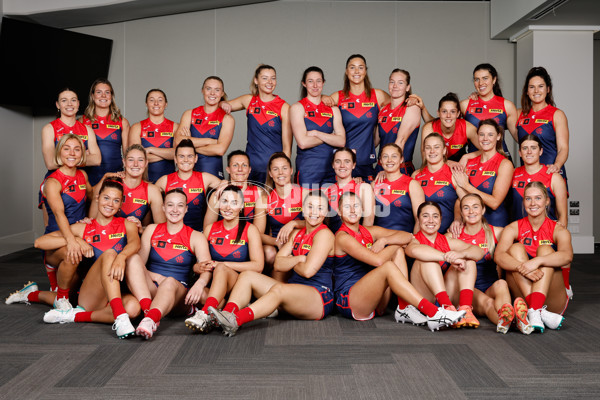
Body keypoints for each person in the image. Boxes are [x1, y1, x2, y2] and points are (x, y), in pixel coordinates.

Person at [207, 191, 335, 336]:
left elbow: (307, 271)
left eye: (320, 208)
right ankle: (227, 313)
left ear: (326, 212)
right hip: (293, 292)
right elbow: (278, 265)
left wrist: (290, 261)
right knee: (247, 275)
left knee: (279, 289)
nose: (314, 212)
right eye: (310, 207)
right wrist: (298, 259)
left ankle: (235, 320)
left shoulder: (324, 234)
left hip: (318, 296)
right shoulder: (297, 234)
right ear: (303, 210)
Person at [334, 192, 465, 331]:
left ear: (362, 209)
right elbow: (377, 261)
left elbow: (407, 236)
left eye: (356, 206)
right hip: (350, 300)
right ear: (339, 211)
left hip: (375, 298)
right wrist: (395, 243)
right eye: (348, 207)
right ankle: (434, 313)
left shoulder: (369, 231)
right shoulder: (342, 237)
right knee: (388, 264)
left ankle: (403, 307)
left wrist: (385, 240)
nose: (353, 210)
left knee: (397, 252)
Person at [32, 178, 143, 338]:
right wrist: (76, 240)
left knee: (134, 308)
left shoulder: (127, 224)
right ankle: (120, 317)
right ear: (97, 198)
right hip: (90, 295)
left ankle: (73, 315)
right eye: (106, 198)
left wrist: (122, 257)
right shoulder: (83, 227)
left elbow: (135, 244)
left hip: (117, 290)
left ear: (121, 204)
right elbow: (39, 242)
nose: (110, 204)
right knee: (110, 253)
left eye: (116, 200)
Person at [122, 189, 211, 339]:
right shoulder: (151, 230)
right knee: (132, 259)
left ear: (186, 209)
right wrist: (157, 277)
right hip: (152, 289)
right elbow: (138, 267)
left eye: (180, 205)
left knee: (169, 282)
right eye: (170, 205)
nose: (175, 210)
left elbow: (206, 268)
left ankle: (150, 319)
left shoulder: (196, 236)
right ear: (163, 208)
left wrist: (199, 284)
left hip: (179, 295)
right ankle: (148, 313)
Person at [494, 182, 573, 333]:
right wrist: (523, 268)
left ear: (547, 201)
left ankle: (536, 308)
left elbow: (567, 256)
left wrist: (537, 261)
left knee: (545, 250)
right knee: (515, 248)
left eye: (538, 198)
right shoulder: (513, 227)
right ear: (523, 202)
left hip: (552, 298)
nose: (533, 203)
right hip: (523, 292)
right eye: (528, 199)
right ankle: (536, 311)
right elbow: (499, 255)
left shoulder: (558, 229)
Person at [184, 185, 264, 332]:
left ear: (241, 206)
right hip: (216, 287)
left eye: (234, 203)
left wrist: (223, 264)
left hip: (239, 285)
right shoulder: (210, 229)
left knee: (221, 268)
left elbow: (258, 266)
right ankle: (221, 312)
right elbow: (196, 265)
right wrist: (198, 267)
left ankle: (204, 314)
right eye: (224, 201)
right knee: (200, 294)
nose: (228, 207)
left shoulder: (250, 229)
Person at [450, 194, 532, 334]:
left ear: (482, 210)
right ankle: (515, 321)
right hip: (468, 290)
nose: (471, 212)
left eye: (475, 207)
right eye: (466, 208)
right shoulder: (453, 236)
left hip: (490, 285)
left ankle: (509, 317)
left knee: (502, 284)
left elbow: (527, 235)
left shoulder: (497, 232)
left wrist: (555, 226)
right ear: (461, 213)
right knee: (488, 304)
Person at [406, 201, 485, 328]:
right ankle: (446, 308)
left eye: (435, 216)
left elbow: (478, 251)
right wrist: (448, 258)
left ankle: (465, 310)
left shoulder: (446, 240)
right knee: (428, 261)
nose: (431, 220)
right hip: (425, 298)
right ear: (418, 219)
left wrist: (462, 255)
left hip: (447, 295)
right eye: (425, 216)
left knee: (468, 259)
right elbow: (414, 250)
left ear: (441, 219)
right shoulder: (413, 239)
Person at [40, 134, 93, 304]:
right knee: (74, 255)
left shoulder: (82, 175)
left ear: (82, 153)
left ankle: (33, 294)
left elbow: (93, 197)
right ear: (59, 152)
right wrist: (72, 240)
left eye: (77, 149)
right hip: (58, 239)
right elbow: (58, 214)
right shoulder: (52, 182)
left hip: (78, 234)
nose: (72, 153)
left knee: (78, 294)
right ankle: (61, 301)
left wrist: (109, 178)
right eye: (67, 148)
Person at [220, 65, 292, 183]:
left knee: (269, 201)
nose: (269, 82)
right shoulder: (249, 100)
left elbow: (287, 148)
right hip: (249, 168)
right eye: (264, 78)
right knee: (249, 200)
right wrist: (222, 103)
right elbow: (218, 104)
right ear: (256, 80)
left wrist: (283, 172)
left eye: (273, 78)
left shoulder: (284, 107)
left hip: (273, 170)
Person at [324, 55, 390, 180]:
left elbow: (399, 105)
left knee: (367, 198)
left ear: (365, 71)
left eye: (361, 67)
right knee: (345, 199)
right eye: (352, 67)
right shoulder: (338, 97)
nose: (356, 71)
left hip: (366, 162)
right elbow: (315, 108)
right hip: (343, 165)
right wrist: (322, 97)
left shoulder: (378, 95)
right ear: (346, 71)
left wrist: (412, 99)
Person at [452, 119, 513, 227]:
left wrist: (466, 185)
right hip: (470, 224)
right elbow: (460, 198)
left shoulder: (505, 164)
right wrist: (457, 218)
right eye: (481, 134)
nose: (485, 138)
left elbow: (495, 203)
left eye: (490, 134)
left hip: (494, 224)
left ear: (498, 136)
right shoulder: (469, 162)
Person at [91, 144, 165, 233]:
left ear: (146, 163)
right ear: (124, 162)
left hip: (135, 239)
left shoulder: (152, 191)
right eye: (131, 160)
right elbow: (92, 221)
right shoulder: (109, 182)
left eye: (140, 160)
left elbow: (161, 229)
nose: (136, 164)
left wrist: (141, 229)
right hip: (106, 237)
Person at [291, 66, 345, 187]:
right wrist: (331, 137)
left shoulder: (333, 109)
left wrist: (316, 132)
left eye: (318, 81)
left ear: (323, 82)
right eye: (310, 81)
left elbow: (341, 141)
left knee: (331, 205)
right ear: (304, 84)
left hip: (331, 169)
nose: (315, 85)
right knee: (308, 205)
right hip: (308, 169)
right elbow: (303, 143)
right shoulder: (297, 108)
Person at [156, 139, 224, 232]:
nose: (186, 160)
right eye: (181, 156)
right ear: (175, 159)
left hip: (198, 233)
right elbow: (148, 197)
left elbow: (228, 187)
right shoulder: (164, 180)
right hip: (172, 236)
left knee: (217, 195)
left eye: (190, 156)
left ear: (196, 158)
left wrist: (225, 183)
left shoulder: (204, 178)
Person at [516, 66, 569, 184]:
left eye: (541, 86)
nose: (536, 91)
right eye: (532, 87)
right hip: (527, 176)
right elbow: (494, 121)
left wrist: (557, 165)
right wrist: (476, 97)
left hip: (551, 174)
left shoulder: (557, 114)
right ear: (527, 91)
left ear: (548, 89)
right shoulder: (518, 114)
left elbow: (563, 148)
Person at [175, 76, 234, 178]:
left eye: (217, 90)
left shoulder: (227, 119)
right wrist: (210, 141)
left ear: (222, 93)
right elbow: (177, 142)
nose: (212, 93)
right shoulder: (189, 114)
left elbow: (220, 150)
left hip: (213, 172)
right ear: (202, 90)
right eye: (208, 88)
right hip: (187, 172)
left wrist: (189, 146)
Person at [461, 63, 517, 159]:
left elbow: (519, 136)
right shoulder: (465, 105)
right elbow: (447, 126)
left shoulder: (507, 105)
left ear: (494, 80)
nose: (481, 83)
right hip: (474, 162)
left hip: (501, 160)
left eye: (485, 78)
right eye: (477, 79)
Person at [262, 153, 306, 275]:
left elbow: (317, 223)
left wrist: (294, 223)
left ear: (291, 170)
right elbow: (257, 234)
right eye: (276, 169)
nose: (281, 173)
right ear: (270, 173)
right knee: (269, 253)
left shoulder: (304, 193)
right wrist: (276, 242)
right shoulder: (265, 199)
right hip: (278, 245)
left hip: (301, 242)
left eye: (284, 168)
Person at [203, 150, 267, 232]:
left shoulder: (259, 193)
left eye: (244, 165)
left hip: (249, 241)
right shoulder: (218, 194)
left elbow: (259, 233)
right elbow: (208, 231)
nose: (240, 169)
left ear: (249, 169)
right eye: (235, 165)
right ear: (228, 169)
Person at [82, 79, 130, 186]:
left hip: (115, 175)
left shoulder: (122, 121)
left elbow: (127, 152)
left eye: (107, 92)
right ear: (93, 96)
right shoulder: (82, 121)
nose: (103, 96)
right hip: (89, 177)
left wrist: (127, 171)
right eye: (99, 92)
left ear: (111, 96)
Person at [511, 135, 568, 225]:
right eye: (525, 148)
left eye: (533, 148)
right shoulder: (512, 174)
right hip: (518, 234)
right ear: (520, 153)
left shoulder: (554, 177)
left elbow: (563, 217)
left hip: (546, 235)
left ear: (540, 151)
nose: (529, 152)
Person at [376, 69, 420, 175]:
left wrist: (388, 168)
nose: (395, 86)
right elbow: (375, 141)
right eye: (392, 82)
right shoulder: (383, 109)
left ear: (407, 87)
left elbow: (401, 141)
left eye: (400, 83)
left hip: (399, 168)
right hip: (380, 167)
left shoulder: (411, 108)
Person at [412, 133, 459, 233]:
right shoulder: (416, 176)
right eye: (428, 148)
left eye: (436, 147)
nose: (432, 151)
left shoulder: (454, 174)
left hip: (449, 234)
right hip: (422, 235)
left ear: (444, 150)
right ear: (424, 151)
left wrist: (458, 219)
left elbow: (464, 200)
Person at [129, 89, 178, 183]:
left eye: (160, 100)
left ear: (166, 104)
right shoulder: (137, 127)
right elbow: (136, 159)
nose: (156, 103)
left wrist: (151, 150)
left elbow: (178, 154)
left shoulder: (175, 127)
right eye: (151, 100)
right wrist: (168, 155)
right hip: (144, 182)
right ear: (146, 104)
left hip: (170, 183)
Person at [373, 143, 424, 233]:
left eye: (394, 156)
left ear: (401, 159)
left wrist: (414, 242)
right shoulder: (374, 185)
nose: (389, 160)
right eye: (385, 156)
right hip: (379, 241)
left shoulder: (412, 184)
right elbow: (368, 219)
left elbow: (420, 220)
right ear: (380, 160)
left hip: (404, 241)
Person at [324, 147, 374, 232]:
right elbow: (324, 223)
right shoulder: (327, 191)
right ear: (333, 165)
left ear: (353, 165)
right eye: (338, 162)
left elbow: (368, 221)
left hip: (356, 241)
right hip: (332, 241)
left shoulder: (364, 188)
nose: (342, 165)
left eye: (347, 161)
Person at [421, 92, 478, 163]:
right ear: (438, 113)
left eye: (453, 112)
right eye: (444, 111)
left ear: (458, 114)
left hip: (460, 169)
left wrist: (466, 157)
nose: (448, 115)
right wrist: (449, 163)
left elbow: (488, 149)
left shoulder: (467, 127)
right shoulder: (429, 128)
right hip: (436, 169)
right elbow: (425, 161)